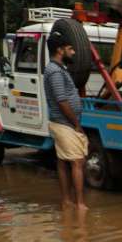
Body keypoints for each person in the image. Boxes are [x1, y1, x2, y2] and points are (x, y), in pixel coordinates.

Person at [43, 31, 89, 210]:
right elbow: (61, 101)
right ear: (60, 50)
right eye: (71, 49)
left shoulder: (59, 69)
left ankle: (67, 202)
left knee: (63, 161)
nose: (74, 53)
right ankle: (79, 204)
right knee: (77, 161)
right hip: (64, 123)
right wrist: (76, 125)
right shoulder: (54, 71)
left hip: (63, 122)